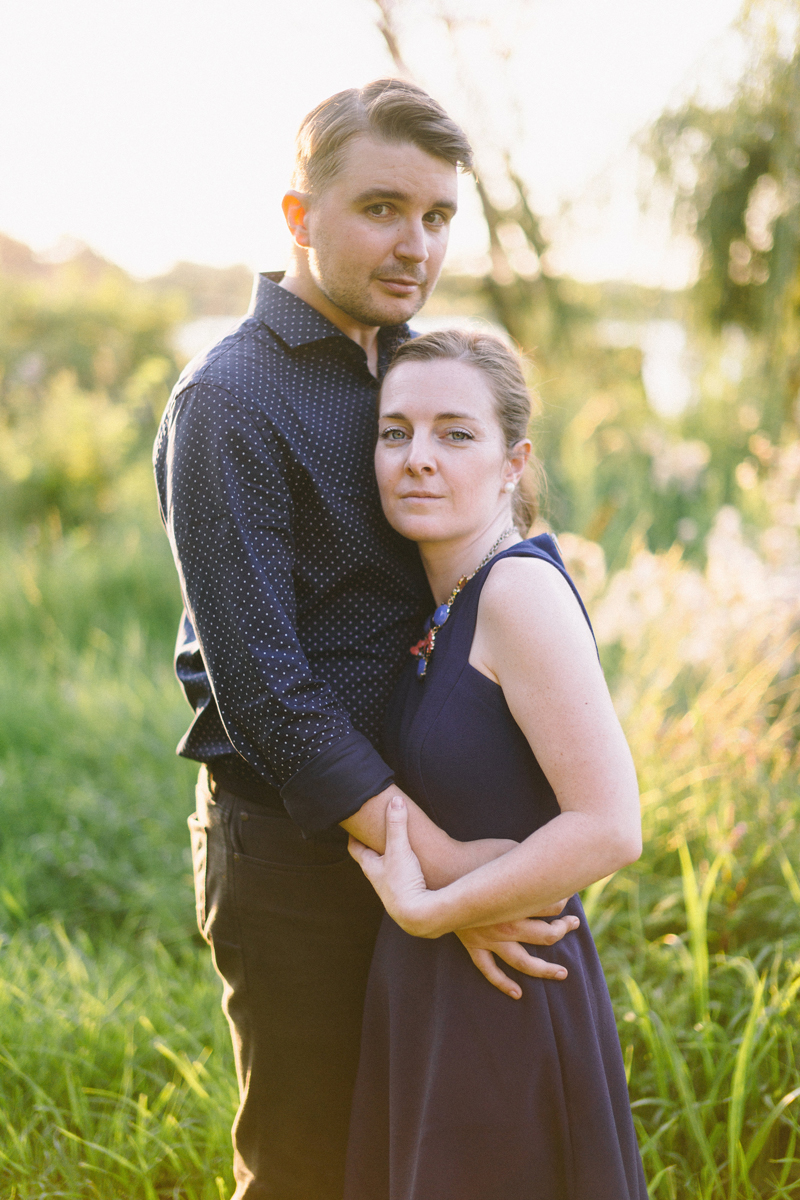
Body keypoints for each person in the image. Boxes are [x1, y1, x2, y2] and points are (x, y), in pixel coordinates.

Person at [154, 81, 577, 1200]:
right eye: (382, 208)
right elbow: (266, 688)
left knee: (408, 1159)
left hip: (422, 829)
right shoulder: (230, 403)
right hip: (298, 856)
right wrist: (446, 872)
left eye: (438, 216)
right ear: (299, 216)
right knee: (303, 1166)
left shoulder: (408, 365)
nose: (415, 244)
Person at [345, 329, 649, 1200]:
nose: (418, 459)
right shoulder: (446, 604)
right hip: (442, 991)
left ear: (514, 463)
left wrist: (435, 911)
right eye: (395, 432)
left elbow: (609, 825)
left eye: (456, 433)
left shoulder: (517, 592)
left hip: (509, 996)